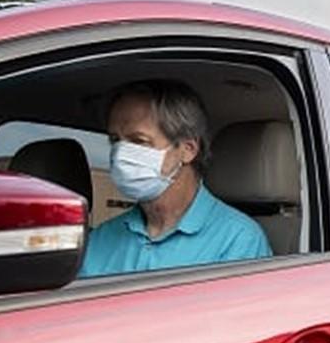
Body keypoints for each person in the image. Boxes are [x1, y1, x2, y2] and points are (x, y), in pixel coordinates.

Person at [79, 79, 272, 278]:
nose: (120, 155)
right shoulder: (101, 239)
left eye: (139, 141)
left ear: (188, 150)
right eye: (115, 140)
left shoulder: (237, 240)